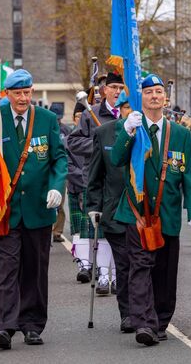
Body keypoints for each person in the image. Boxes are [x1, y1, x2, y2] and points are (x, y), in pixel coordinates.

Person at [0, 69, 67, 350]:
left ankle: (32, 325)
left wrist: (56, 187)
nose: (24, 98)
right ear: (7, 94)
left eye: (27, 92)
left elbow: (58, 159)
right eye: (18, 93)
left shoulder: (47, 119)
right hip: (6, 209)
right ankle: (4, 325)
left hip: (39, 207)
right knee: (6, 267)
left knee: (35, 271)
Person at [111, 73, 191, 346]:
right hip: (137, 213)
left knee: (164, 271)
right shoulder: (129, 127)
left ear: (165, 97)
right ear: (142, 97)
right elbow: (116, 159)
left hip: (168, 214)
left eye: (158, 91)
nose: (154, 96)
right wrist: (127, 132)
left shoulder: (181, 134)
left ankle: (161, 320)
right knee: (139, 268)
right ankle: (144, 323)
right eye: (148, 91)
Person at [68, 72, 124, 292]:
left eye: (121, 87)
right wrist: (101, 148)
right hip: (99, 179)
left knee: (121, 231)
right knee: (102, 230)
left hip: (123, 181)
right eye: (114, 87)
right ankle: (103, 274)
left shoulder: (130, 115)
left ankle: (119, 275)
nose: (118, 91)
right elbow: (73, 141)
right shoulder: (91, 115)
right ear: (105, 90)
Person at [86, 90, 134, 332]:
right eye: (125, 107)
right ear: (119, 109)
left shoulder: (152, 132)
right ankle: (128, 314)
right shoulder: (104, 133)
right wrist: (93, 207)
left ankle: (147, 310)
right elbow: (95, 175)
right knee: (124, 264)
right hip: (115, 210)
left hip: (144, 212)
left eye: (132, 107)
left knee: (144, 264)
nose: (129, 112)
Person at [67, 101, 90, 282]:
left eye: (83, 117)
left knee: (92, 228)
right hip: (76, 187)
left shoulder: (94, 136)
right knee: (78, 229)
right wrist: (83, 179)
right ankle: (83, 264)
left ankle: (94, 265)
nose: (80, 119)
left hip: (92, 186)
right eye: (77, 117)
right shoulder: (67, 141)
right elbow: (66, 166)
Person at [49, 102, 72, 243]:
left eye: (59, 118)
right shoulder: (45, 126)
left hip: (61, 170)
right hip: (47, 170)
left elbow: (70, 150)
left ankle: (57, 231)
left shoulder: (66, 130)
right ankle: (46, 229)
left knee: (60, 202)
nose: (57, 121)